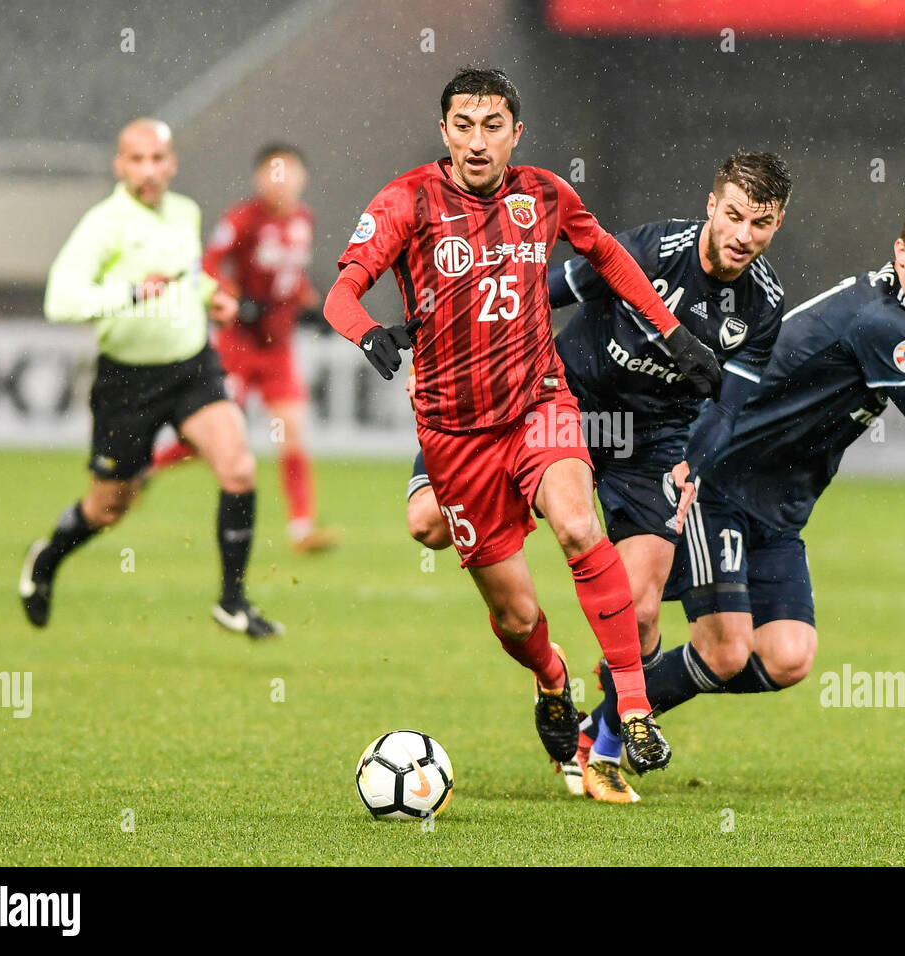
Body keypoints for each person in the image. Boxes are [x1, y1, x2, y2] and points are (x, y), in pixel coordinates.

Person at [583, 198, 905, 803]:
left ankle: (632, 684)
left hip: (778, 511)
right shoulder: (882, 323)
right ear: (901, 254)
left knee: (787, 657)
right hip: (719, 484)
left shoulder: (892, 309)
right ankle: (602, 737)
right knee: (726, 651)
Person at [323, 68, 723, 773]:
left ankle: (632, 708)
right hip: (454, 436)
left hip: (539, 403)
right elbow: (342, 292)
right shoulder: (406, 201)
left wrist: (674, 334)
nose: (478, 142)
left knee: (576, 525)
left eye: (493, 126)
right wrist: (366, 332)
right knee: (516, 617)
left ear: (517, 132)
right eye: (464, 126)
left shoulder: (544, 193)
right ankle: (551, 678)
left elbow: (607, 255)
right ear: (444, 131)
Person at [404, 152, 792, 801]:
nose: (743, 234)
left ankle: (603, 748)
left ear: (778, 223)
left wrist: (694, 460)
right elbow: (545, 288)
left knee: (640, 610)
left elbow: (727, 406)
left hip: (654, 443)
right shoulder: (650, 249)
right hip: (556, 401)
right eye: (734, 215)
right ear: (710, 205)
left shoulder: (764, 305)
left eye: (761, 222)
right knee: (427, 526)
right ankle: (548, 674)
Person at [19, 118, 284, 639]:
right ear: (119, 166)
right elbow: (61, 300)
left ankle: (232, 601)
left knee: (238, 468)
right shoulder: (104, 224)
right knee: (108, 507)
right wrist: (132, 294)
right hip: (127, 384)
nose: (148, 170)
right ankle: (46, 559)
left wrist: (214, 296)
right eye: (136, 160)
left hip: (191, 367)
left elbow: (187, 276)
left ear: (172, 164)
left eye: (157, 159)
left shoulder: (184, 211)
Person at [151, 144, 340, 554]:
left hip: (278, 350)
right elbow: (209, 263)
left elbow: (292, 277)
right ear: (259, 179)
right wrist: (234, 295)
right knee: (211, 440)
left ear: (302, 178)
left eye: (289, 173)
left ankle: (301, 529)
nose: (282, 181)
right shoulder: (242, 219)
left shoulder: (303, 220)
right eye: (274, 173)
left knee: (292, 434)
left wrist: (314, 307)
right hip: (237, 344)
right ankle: (147, 467)